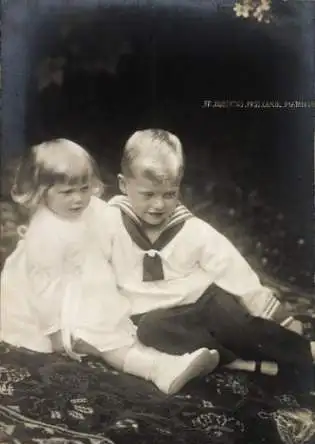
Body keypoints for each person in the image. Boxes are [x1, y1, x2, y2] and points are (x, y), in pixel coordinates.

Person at [0, 138, 220, 395]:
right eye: (67, 193)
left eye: (84, 188)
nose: (78, 199)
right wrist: (56, 331)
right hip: (52, 302)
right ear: (41, 192)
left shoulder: (90, 208)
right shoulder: (45, 234)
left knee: (126, 318)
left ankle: (182, 354)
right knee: (99, 336)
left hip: (87, 280)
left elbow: (112, 222)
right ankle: (157, 370)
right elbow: (44, 291)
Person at [99, 128, 315, 390]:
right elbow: (91, 263)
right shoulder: (109, 223)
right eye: (148, 194)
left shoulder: (193, 230)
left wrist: (278, 316)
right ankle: (232, 361)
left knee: (240, 329)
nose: (158, 205)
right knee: (150, 332)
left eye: (169, 194)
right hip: (159, 316)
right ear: (124, 185)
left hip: (206, 302)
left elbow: (232, 268)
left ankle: (303, 353)